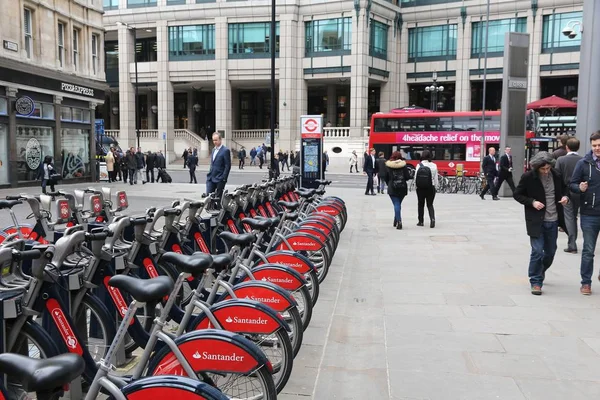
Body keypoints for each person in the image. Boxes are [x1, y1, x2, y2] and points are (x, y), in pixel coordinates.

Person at [514, 151, 569, 296]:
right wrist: (532, 202)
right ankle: (536, 281)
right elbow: (517, 194)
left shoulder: (556, 175)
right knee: (537, 251)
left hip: (554, 220)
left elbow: (565, 189)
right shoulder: (528, 177)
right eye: (542, 169)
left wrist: (565, 197)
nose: (545, 171)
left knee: (550, 252)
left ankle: (540, 270)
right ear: (536, 167)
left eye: (547, 168)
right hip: (536, 220)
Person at [569, 131, 600, 295]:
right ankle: (586, 283)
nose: (597, 148)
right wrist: (579, 188)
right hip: (590, 213)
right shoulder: (583, 163)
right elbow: (572, 184)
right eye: (594, 145)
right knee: (588, 250)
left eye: (599, 145)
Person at [555, 137, 582, 254]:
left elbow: (557, 177)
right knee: (579, 217)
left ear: (566, 147)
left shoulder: (561, 160)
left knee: (570, 218)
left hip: (567, 193)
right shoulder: (583, 160)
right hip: (581, 192)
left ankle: (572, 245)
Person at [385, 151, 411, 229]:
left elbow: (386, 177)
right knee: (398, 204)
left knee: (396, 204)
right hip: (402, 188)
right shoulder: (404, 165)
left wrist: (389, 184)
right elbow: (407, 177)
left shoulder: (388, 166)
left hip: (392, 188)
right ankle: (396, 220)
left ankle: (399, 221)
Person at [414, 150, 438, 228]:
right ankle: (432, 219)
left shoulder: (419, 165)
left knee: (420, 204)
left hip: (420, 188)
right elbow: (435, 178)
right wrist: (436, 187)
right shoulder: (434, 165)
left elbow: (415, 177)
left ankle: (420, 221)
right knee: (430, 204)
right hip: (431, 187)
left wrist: (416, 187)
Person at [206, 132, 231, 198]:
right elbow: (213, 163)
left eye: (216, 140)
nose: (214, 142)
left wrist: (224, 178)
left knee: (217, 199)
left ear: (220, 140)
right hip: (211, 178)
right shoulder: (213, 150)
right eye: (213, 140)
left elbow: (227, 165)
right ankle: (211, 208)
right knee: (208, 197)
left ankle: (217, 207)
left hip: (220, 178)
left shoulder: (225, 150)